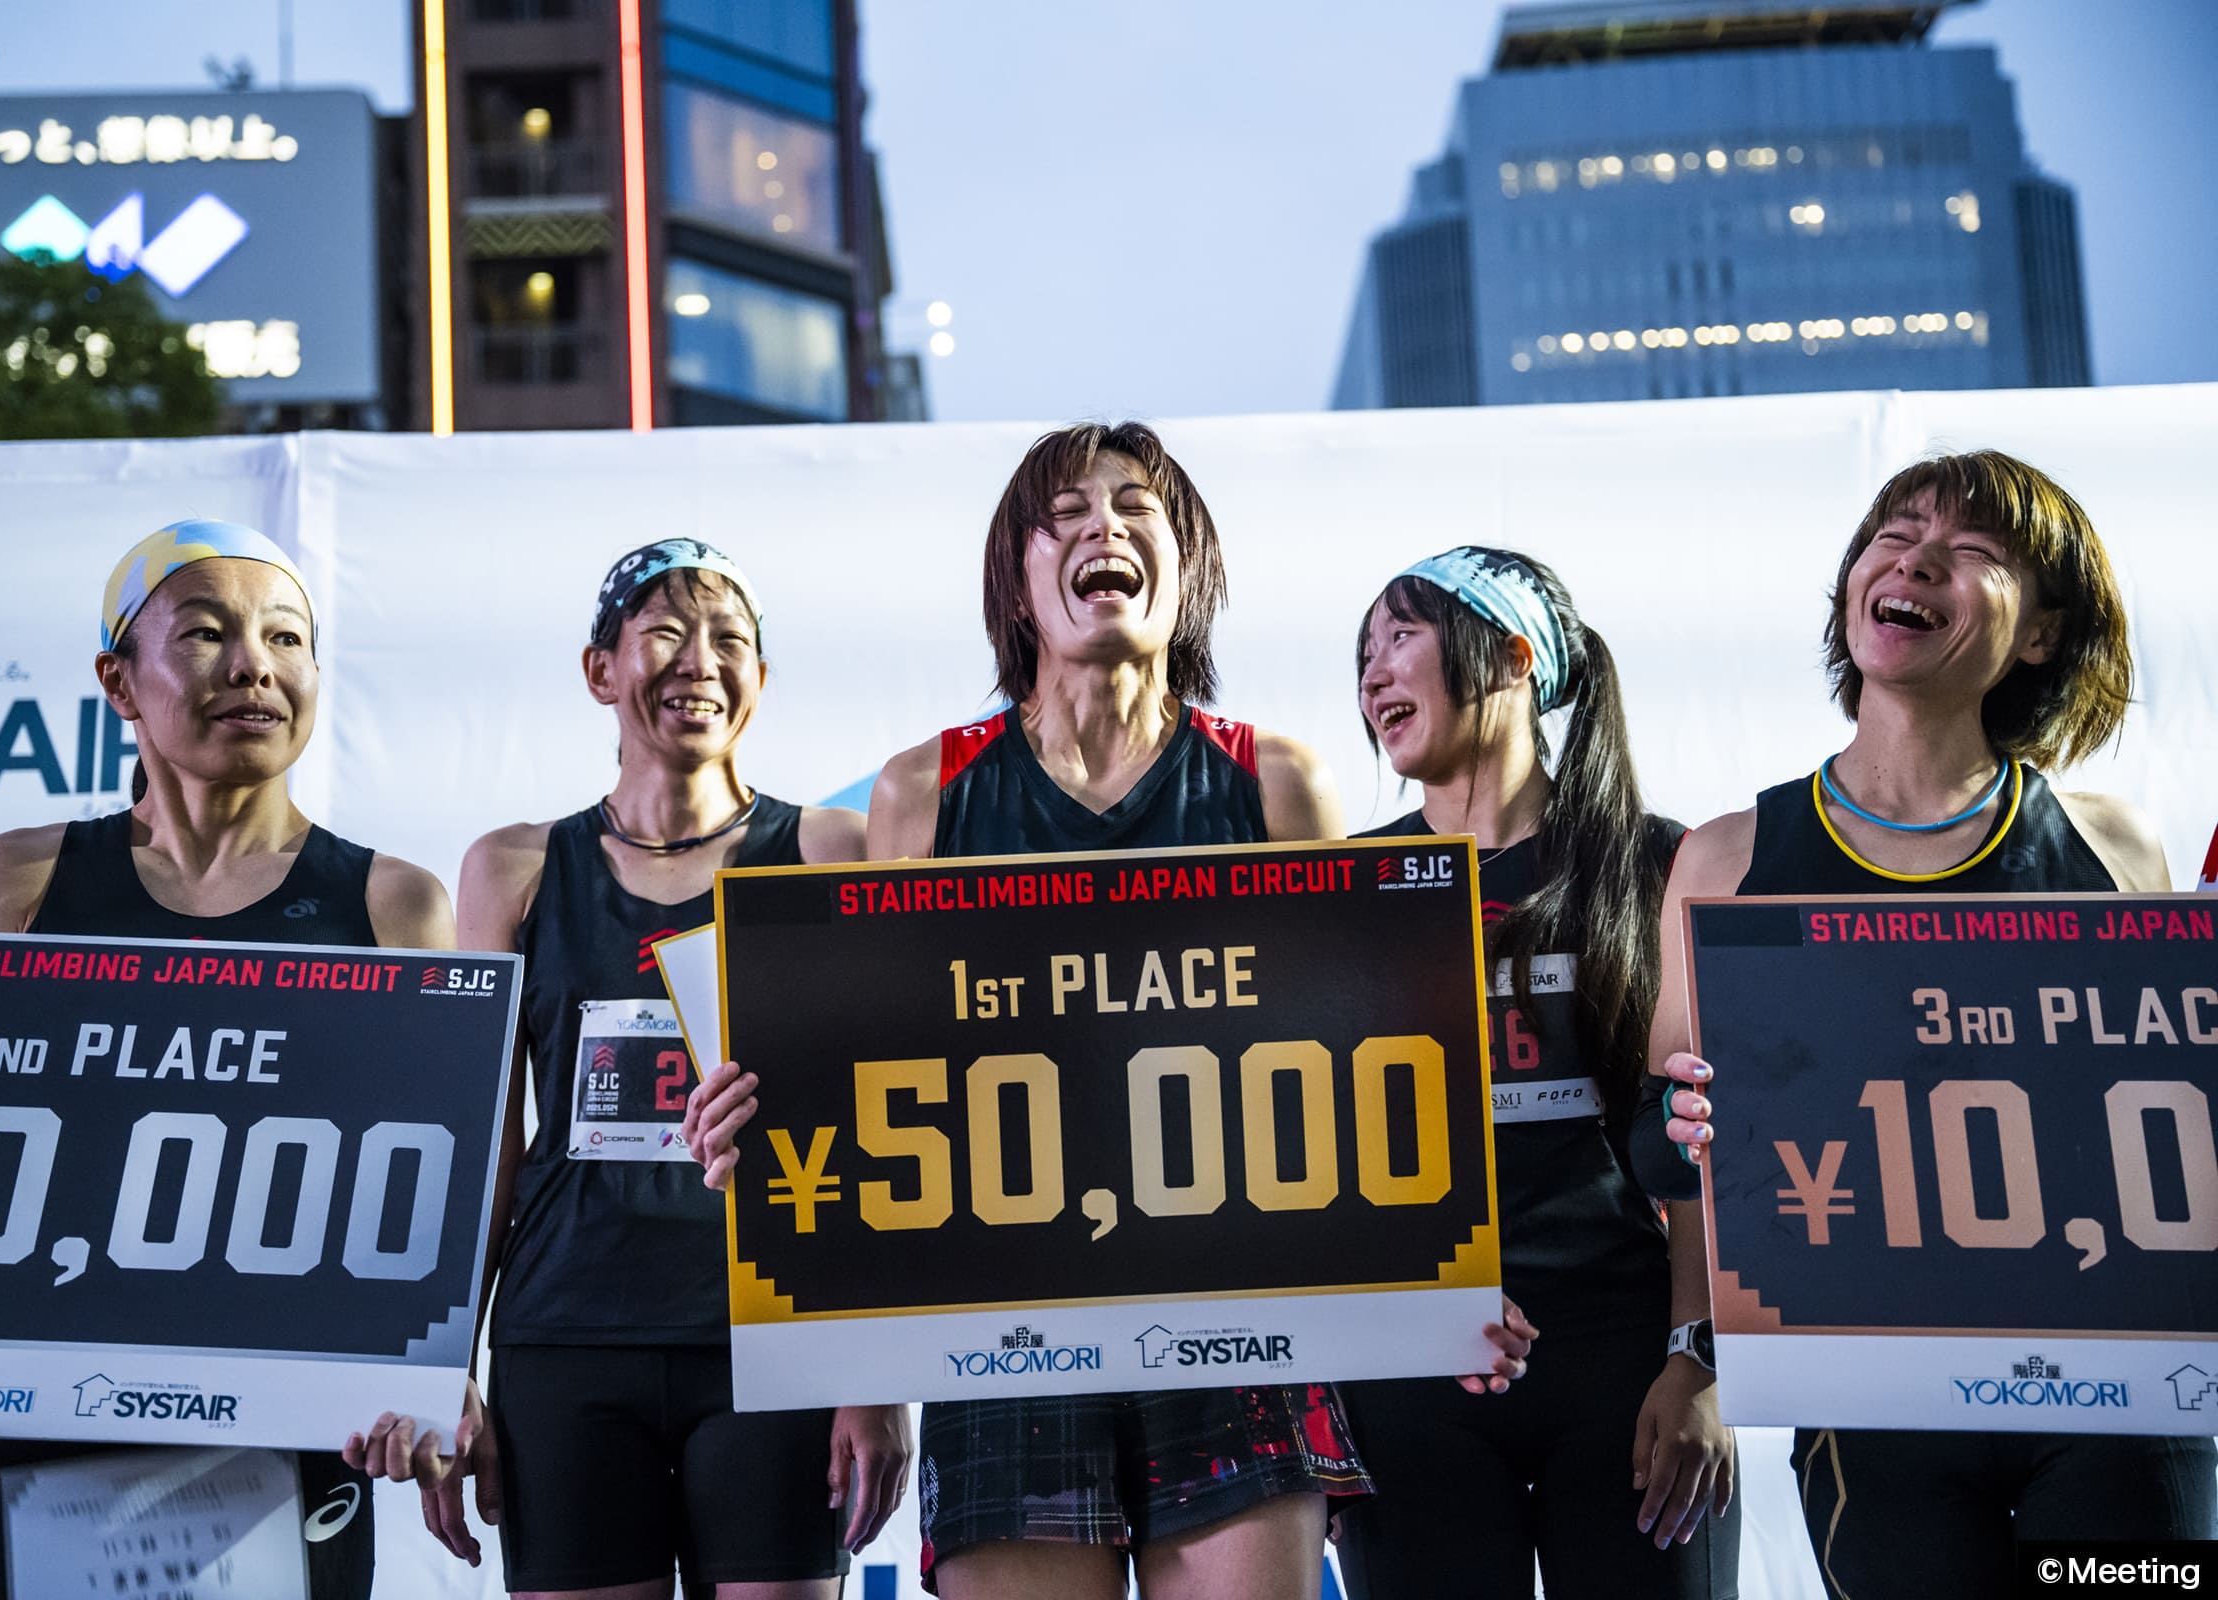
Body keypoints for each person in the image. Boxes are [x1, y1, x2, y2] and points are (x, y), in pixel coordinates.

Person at [686, 423, 1535, 1600]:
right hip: (1000, 1338)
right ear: (1017, 581)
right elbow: (873, 1084)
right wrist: (850, 1345)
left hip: (1241, 1322)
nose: (1106, 526)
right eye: (1068, 513)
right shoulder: (925, 790)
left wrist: (1443, 1285)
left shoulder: (1274, 780)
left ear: (1187, 568)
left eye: (1137, 507)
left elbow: (1358, 1070)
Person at [1644, 452, 2218, 1588]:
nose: (1914, 561)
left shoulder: (2114, 844)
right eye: (1896, 535)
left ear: (2042, 634)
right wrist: (1691, 1352)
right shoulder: (1724, 858)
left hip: (2114, 1388)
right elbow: (1678, 1165)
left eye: (1973, 551)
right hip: (1870, 1400)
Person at [350, 538, 909, 1599]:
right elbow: (484, 1143)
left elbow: (886, 1127)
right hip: (566, 1338)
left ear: (759, 678)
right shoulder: (512, 868)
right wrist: (441, 1368)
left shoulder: (830, 849)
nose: (701, 660)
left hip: (771, 1337)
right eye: (666, 632)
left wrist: (876, 1376)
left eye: (729, 639)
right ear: (600, 669)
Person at [0, 519, 457, 1600]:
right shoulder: (17, 882)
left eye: (287, 637)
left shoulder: (395, 904)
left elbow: (427, 1195)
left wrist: (439, 1381)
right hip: (47, 1429)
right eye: (208, 632)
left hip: (293, 1438)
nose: (254, 665)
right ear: (119, 680)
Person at [1331, 549, 1737, 1600]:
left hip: (1628, 1358)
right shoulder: (1345, 882)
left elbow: (1705, 1139)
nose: (1373, 671)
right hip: (1416, 1363)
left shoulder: (1659, 860)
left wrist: (1697, 1360)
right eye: (1364, 651)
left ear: (1513, 658)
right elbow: (1314, 1155)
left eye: (1402, 635)